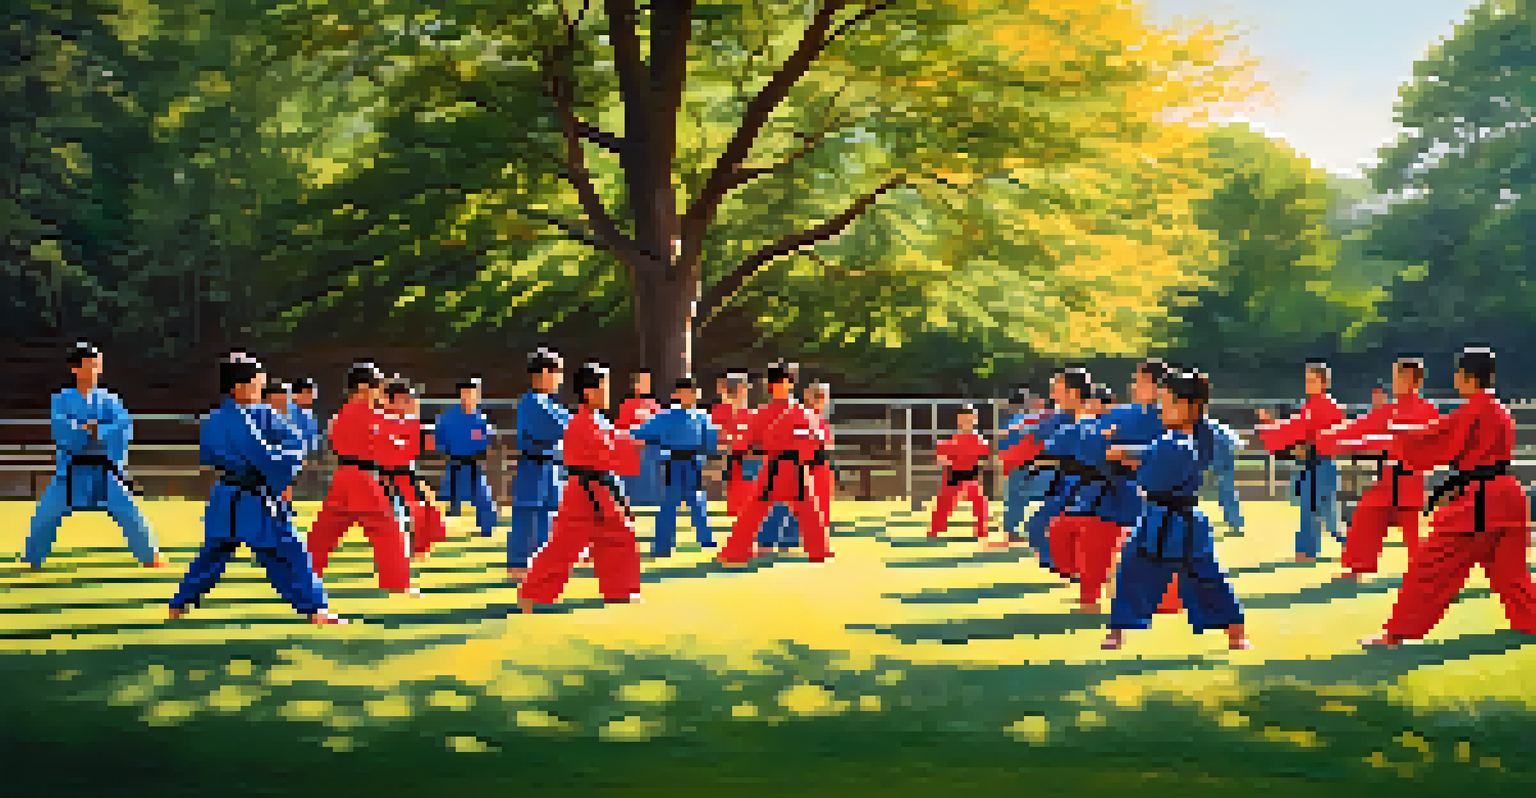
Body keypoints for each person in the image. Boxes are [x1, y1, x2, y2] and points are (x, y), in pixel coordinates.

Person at [1361, 347, 1536, 647]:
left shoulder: (1474, 409)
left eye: (1457, 373)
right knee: (1513, 578)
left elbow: (1434, 438)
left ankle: (1396, 633)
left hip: (1480, 505)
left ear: (1466, 377)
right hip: (1509, 498)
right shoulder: (1499, 410)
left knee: (1428, 568)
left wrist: (1390, 438)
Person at [169, 354, 344, 624]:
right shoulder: (228, 419)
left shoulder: (250, 415)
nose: (260, 388)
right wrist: (283, 459)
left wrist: (278, 455)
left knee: (213, 554)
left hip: (227, 496)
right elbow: (266, 456)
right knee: (288, 551)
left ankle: (179, 605)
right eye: (256, 383)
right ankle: (315, 609)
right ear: (238, 387)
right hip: (253, 498)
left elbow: (294, 442)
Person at [1102, 368, 1249, 651]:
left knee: (1207, 575)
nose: (1161, 408)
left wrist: (1127, 456)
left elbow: (1161, 461)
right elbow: (1154, 454)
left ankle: (1237, 631)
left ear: (1189, 406)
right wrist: (1130, 454)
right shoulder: (1173, 436)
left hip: (1182, 519)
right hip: (1156, 515)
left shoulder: (1196, 438)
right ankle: (1117, 631)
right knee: (1131, 569)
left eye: (1167, 402)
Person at [24, 342, 162, 570]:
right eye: (89, 365)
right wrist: (86, 431)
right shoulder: (61, 399)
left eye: (97, 365)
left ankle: (151, 557)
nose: (94, 370)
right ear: (75, 369)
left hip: (105, 470)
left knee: (130, 512)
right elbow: (61, 429)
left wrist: (98, 430)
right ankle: (31, 560)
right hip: (71, 470)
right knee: (45, 515)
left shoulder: (111, 399)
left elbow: (123, 428)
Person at [519, 362, 644, 611]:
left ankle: (620, 590)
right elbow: (609, 452)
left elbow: (615, 446)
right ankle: (533, 593)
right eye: (604, 386)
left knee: (620, 536)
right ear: (589, 391)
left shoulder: (598, 420)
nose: (608, 391)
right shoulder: (580, 422)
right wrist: (637, 440)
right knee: (565, 544)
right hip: (583, 492)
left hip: (602, 490)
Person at [1316, 357, 1440, 581]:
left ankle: (1428, 575)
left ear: (1414, 380)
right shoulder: (1388, 409)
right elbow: (1360, 426)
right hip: (1385, 480)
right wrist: (1331, 435)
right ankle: (1356, 570)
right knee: (1365, 519)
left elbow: (1426, 440)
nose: (1394, 381)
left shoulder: (1427, 411)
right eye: (1395, 376)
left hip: (1410, 481)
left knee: (1413, 535)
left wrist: (1390, 438)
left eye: (1399, 377)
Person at [307, 362, 417, 594]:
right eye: (378, 385)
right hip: (364, 479)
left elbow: (336, 442)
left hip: (342, 477)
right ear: (364, 388)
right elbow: (395, 447)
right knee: (389, 531)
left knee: (323, 534)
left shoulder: (338, 416)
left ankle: (301, 577)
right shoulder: (373, 416)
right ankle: (398, 585)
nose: (381, 390)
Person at [1039, 380, 1142, 613]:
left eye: (1098, 404)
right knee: (1058, 531)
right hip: (1089, 497)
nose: (1093, 408)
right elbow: (1053, 452)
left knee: (1097, 548)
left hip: (1118, 498)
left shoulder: (1122, 427)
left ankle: (1091, 600)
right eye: (1091, 403)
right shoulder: (1080, 428)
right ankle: (1095, 583)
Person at [717, 363, 834, 566]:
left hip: (773, 469)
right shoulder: (802, 412)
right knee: (809, 512)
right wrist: (814, 460)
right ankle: (819, 551)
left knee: (752, 513)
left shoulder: (763, 413)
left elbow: (744, 443)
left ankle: (735, 551)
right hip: (794, 469)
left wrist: (737, 459)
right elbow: (817, 442)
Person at [1256, 361, 1344, 563]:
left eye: (1312, 379)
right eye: (1307, 379)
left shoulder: (1324, 405)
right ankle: (1308, 552)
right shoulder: (1314, 404)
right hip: (1316, 466)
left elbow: (1297, 429)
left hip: (1322, 466)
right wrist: (1273, 427)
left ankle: (1310, 553)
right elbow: (1299, 429)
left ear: (1323, 382)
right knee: (1318, 514)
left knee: (1321, 516)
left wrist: (1271, 427)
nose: (1308, 383)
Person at [630, 377, 719, 556]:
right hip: (674, 464)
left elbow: (711, 443)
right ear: (676, 394)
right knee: (669, 505)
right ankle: (662, 548)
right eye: (684, 392)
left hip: (694, 464)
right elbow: (643, 431)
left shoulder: (702, 416)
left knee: (698, 504)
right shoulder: (666, 416)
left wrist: (711, 460)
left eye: (692, 392)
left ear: (697, 394)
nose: (689, 395)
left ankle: (707, 544)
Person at [1013, 369, 1089, 565]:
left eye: (1057, 389)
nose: (1053, 395)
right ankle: (1066, 566)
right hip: (1065, 483)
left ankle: (1072, 566)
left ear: (1073, 392)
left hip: (1092, 486)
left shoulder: (1097, 416)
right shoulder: (1057, 420)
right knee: (1038, 526)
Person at [510, 348, 571, 582]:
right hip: (534, 465)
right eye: (558, 372)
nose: (560, 379)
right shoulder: (533, 401)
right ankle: (518, 565)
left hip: (552, 466)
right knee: (528, 513)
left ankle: (543, 561)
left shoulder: (550, 402)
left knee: (550, 514)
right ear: (545, 372)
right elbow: (564, 427)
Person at [381, 379, 448, 560]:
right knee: (401, 513)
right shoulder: (381, 419)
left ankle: (415, 550)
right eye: (403, 399)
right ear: (389, 400)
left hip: (405, 473)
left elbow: (429, 445)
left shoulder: (410, 421)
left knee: (426, 509)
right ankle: (401, 549)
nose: (407, 402)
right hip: (385, 475)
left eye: (408, 399)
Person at [434, 376, 499, 538]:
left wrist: (485, 455)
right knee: (445, 501)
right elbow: (437, 439)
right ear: (460, 394)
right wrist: (445, 451)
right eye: (466, 392)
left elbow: (489, 442)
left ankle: (487, 531)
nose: (469, 396)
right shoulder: (447, 417)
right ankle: (434, 532)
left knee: (483, 498)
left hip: (474, 465)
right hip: (454, 464)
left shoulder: (481, 419)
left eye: (472, 393)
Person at [998, 389, 1056, 545]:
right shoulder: (1023, 420)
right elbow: (1004, 444)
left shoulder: (1046, 418)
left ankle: (1041, 529)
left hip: (1033, 464)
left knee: (1024, 498)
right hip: (1022, 465)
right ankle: (1013, 532)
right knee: (1017, 499)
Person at [930, 405, 990, 539]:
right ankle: (935, 530)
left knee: (980, 503)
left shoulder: (980, 441)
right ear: (959, 420)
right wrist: (945, 460)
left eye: (970, 419)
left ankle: (981, 532)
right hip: (954, 474)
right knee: (944, 503)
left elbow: (985, 456)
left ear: (975, 420)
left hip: (971, 476)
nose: (967, 422)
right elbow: (942, 455)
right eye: (964, 419)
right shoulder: (952, 440)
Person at [711, 373, 757, 520]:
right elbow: (717, 433)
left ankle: (745, 511)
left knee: (748, 484)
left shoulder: (750, 412)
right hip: (731, 453)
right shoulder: (720, 411)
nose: (745, 391)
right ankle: (735, 511)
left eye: (745, 388)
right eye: (742, 387)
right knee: (733, 484)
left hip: (749, 454)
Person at [616, 368, 663, 508]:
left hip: (650, 450)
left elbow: (660, 427)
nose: (644, 385)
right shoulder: (626, 405)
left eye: (647, 382)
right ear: (635, 385)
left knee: (651, 476)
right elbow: (622, 428)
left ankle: (651, 500)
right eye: (641, 382)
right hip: (632, 450)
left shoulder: (655, 405)